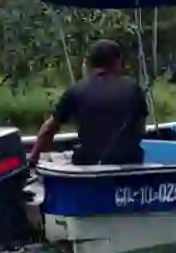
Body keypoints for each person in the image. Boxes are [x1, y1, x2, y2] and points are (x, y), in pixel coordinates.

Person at [30, 38, 149, 166]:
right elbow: (140, 128)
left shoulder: (75, 90)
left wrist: (32, 160)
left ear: (89, 64)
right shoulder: (133, 88)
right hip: (129, 166)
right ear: (117, 62)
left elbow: (48, 130)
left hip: (89, 166)